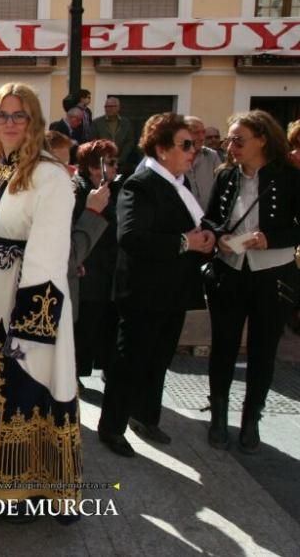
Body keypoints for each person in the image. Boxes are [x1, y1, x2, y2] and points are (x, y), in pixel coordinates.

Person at [0, 83, 81, 517]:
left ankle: (28, 487)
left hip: (29, 300)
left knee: (26, 388)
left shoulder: (51, 175)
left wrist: (31, 326)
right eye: (3, 115)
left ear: (34, 121)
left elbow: (48, 255)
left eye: (20, 116)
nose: (11, 123)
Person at [98, 113, 214, 457]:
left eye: (194, 144)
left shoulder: (180, 182)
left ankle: (146, 416)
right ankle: (112, 428)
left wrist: (210, 235)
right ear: (163, 150)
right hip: (143, 293)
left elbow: (195, 222)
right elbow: (131, 237)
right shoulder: (141, 183)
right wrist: (185, 242)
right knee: (131, 361)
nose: (193, 151)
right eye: (186, 144)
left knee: (159, 358)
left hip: (173, 291)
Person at [202, 110, 300, 453]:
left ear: (262, 138)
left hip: (272, 274)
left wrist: (270, 238)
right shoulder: (226, 175)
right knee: (224, 346)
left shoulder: (289, 176)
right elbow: (210, 218)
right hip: (229, 269)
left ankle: (251, 420)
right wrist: (220, 237)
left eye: (238, 139)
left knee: (263, 350)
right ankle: (218, 416)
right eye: (229, 139)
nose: (231, 146)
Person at [72, 141, 122, 381]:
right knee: (84, 330)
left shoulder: (111, 189)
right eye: (110, 162)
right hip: (87, 273)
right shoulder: (78, 191)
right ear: (94, 167)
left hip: (106, 272)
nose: (116, 167)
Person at [92, 97, 139, 175]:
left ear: (118, 107)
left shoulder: (126, 123)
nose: (108, 109)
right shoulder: (97, 123)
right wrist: (105, 157)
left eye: (111, 106)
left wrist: (121, 158)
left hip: (122, 163)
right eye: (106, 106)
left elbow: (130, 142)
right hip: (103, 163)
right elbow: (93, 141)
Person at [184, 115, 222, 210]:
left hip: (207, 218)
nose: (201, 137)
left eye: (203, 132)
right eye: (196, 132)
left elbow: (221, 185)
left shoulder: (212, 156)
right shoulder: (174, 156)